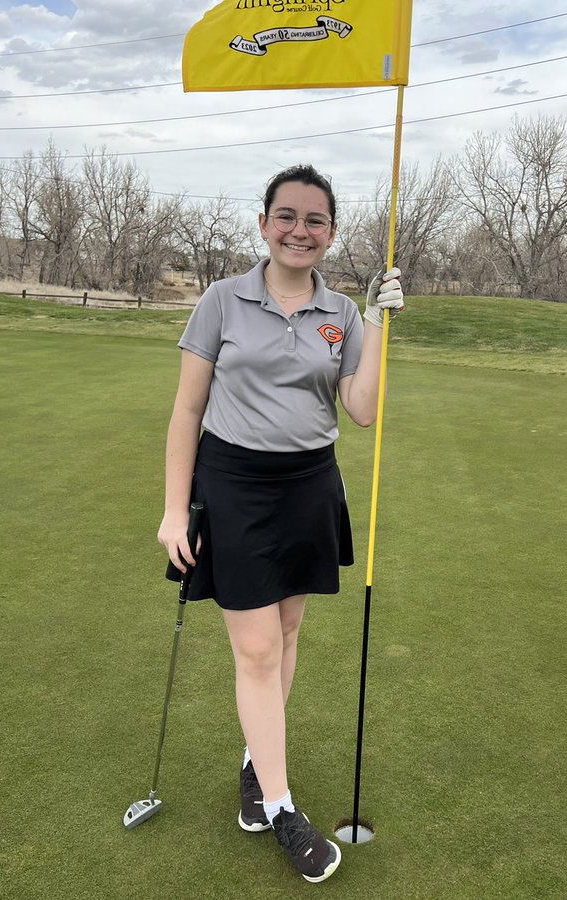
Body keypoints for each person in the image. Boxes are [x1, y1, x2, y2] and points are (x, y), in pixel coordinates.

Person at [157, 163, 404, 884]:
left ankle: (251, 762)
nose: (301, 230)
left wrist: (382, 321)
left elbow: (360, 410)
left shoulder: (344, 313)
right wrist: (175, 510)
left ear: (331, 233)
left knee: (289, 631)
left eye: (315, 220)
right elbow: (186, 412)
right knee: (259, 651)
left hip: (309, 486)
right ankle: (283, 808)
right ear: (264, 223)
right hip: (233, 486)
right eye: (287, 216)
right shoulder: (222, 301)